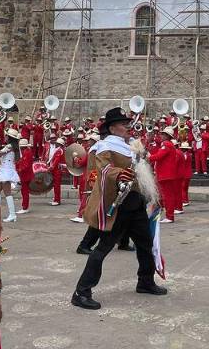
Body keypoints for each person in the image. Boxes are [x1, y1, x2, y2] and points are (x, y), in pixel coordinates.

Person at [71, 106, 167, 310]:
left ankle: (145, 282)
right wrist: (118, 174)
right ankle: (81, 292)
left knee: (145, 244)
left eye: (127, 124)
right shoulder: (105, 146)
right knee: (103, 249)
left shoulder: (133, 145)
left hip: (137, 203)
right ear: (113, 128)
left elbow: (144, 174)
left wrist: (153, 196)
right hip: (119, 204)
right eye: (124, 124)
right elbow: (103, 169)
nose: (128, 127)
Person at [149, 127, 181, 223]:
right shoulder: (168, 144)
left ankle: (169, 216)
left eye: (163, 134)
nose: (161, 135)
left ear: (167, 136)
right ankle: (169, 215)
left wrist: (149, 156)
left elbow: (159, 156)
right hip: (167, 174)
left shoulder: (166, 144)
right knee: (168, 196)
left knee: (167, 196)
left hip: (165, 174)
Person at [0, 129, 21, 222]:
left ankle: (12, 214)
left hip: (6, 172)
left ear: (9, 137)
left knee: (7, 193)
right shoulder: (12, 146)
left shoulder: (9, 146)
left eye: (6, 136)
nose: (5, 137)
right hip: (3, 170)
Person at [16, 138, 35, 213]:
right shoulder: (26, 151)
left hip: (26, 174)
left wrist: (19, 169)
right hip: (25, 174)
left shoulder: (27, 152)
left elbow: (25, 164)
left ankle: (25, 207)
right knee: (24, 191)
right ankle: (24, 206)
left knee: (25, 191)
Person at [47, 136, 66, 206]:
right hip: (56, 169)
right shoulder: (59, 149)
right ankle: (56, 199)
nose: (55, 144)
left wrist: (51, 168)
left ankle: (57, 200)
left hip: (57, 170)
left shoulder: (59, 150)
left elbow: (56, 161)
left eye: (57, 143)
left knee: (57, 186)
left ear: (59, 144)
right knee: (56, 185)